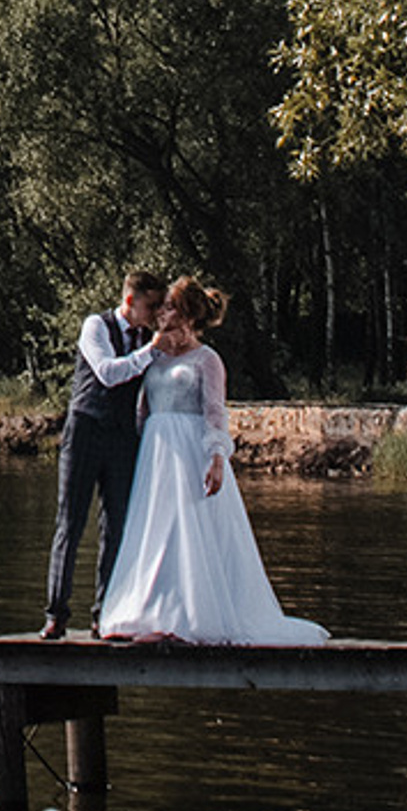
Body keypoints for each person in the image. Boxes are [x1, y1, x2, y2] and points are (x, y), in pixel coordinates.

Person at [96, 279, 328, 645]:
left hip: (190, 449)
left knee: (188, 531)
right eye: (161, 307)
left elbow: (215, 413)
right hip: (157, 452)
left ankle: (187, 619)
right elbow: (141, 407)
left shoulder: (207, 360)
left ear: (187, 315)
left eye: (169, 307)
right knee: (156, 531)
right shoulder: (153, 354)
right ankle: (151, 612)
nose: (161, 313)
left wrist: (216, 458)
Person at [41, 269, 166, 637]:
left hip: (124, 437)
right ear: (131, 300)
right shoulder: (96, 326)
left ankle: (104, 613)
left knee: (116, 528)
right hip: (85, 431)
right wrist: (151, 350)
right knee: (71, 524)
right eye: (152, 304)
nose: (156, 312)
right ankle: (56, 614)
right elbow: (109, 373)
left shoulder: (149, 338)